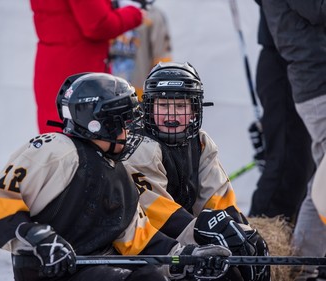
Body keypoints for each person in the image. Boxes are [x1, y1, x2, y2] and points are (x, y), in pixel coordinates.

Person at [0, 72, 231, 281]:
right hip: (47, 271)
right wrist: (39, 237)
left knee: (155, 276)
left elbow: (138, 240)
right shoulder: (54, 150)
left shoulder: (119, 172)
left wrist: (186, 258)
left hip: (93, 267)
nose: (129, 131)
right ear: (99, 123)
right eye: (123, 123)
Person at [123, 61, 271, 281]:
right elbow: (159, 215)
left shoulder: (200, 141)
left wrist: (241, 232)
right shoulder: (140, 147)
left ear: (194, 109)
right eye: (163, 105)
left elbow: (219, 198)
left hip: (182, 235)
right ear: (149, 107)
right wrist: (206, 234)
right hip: (149, 244)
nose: (171, 115)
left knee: (243, 257)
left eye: (181, 106)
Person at [260, 0, 326, 280]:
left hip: (314, 80)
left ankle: (304, 265)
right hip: (316, 83)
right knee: (322, 179)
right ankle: (302, 266)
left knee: (322, 175)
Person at [29, 0, 145, 133]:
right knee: (84, 132)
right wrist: (135, 12)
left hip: (55, 63)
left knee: (57, 131)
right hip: (78, 64)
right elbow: (98, 24)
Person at [248, 0, 314, 221]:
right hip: (286, 59)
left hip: (303, 61)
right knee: (288, 161)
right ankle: (257, 238)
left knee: (306, 167)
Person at [109, 4, 172, 100]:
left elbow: (162, 60)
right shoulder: (105, 11)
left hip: (140, 96)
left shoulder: (153, 15)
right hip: (106, 95)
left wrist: (158, 94)